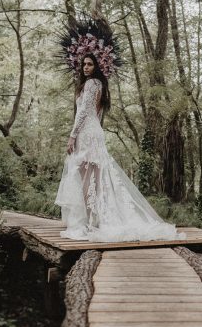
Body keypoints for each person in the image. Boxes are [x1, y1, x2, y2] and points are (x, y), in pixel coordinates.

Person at [54, 52, 183, 242]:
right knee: (95, 180)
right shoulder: (100, 85)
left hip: (87, 134)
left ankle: (90, 223)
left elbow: (83, 112)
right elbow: (95, 115)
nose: (86, 67)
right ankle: (94, 221)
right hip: (94, 131)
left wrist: (72, 136)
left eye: (89, 64)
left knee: (86, 179)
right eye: (84, 65)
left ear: (96, 66)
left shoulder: (90, 84)